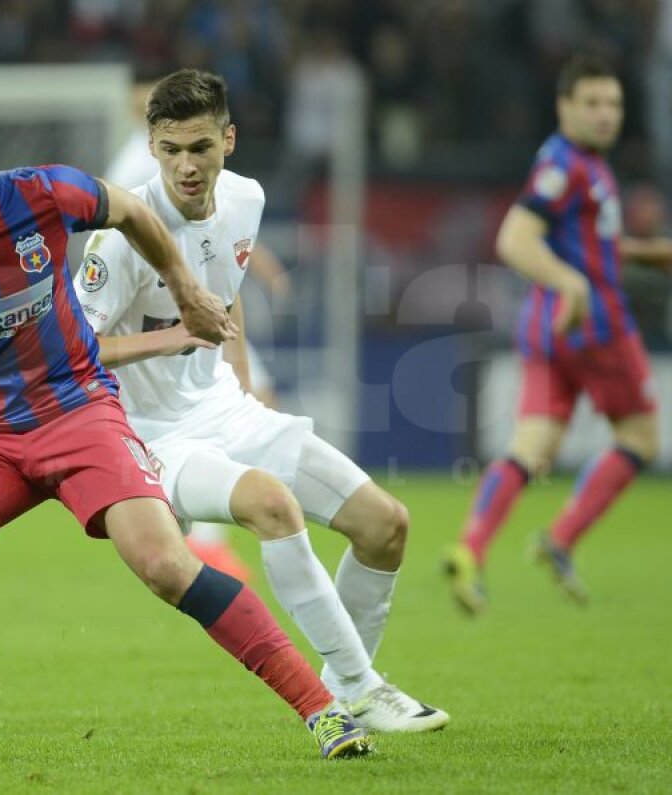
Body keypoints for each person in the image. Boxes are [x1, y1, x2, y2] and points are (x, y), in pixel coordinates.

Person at [0, 93, 372, 761]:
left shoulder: (39, 195)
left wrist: (186, 290)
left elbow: (134, 210)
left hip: (78, 413)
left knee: (166, 565)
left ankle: (324, 710)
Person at [75, 68, 448, 733]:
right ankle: (364, 686)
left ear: (229, 140)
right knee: (272, 504)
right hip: (151, 436)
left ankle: (341, 682)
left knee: (385, 525)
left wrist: (242, 378)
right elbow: (75, 351)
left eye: (199, 148)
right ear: (152, 147)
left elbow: (225, 289)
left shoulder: (246, 200)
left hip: (224, 409)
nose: (185, 166)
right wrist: (175, 341)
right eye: (170, 151)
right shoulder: (119, 235)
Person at [442, 54, 672, 614]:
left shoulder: (578, 165)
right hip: (597, 326)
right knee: (640, 439)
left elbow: (587, 243)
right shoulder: (566, 166)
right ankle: (561, 537)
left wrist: (645, 253)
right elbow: (515, 239)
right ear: (564, 107)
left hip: (547, 330)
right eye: (591, 103)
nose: (604, 115)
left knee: (532, 447)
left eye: (613, 104)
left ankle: (470, 549)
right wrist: (573, 285)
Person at [105, 76, 292, 583]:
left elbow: (220, 227)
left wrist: (261, 265)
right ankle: (195, 527)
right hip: (166, 310)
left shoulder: (213, 168)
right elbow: (124, 244)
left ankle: (206, 529)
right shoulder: (134, 166)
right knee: (198, 416)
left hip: (207, 297)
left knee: (255, 402)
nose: (185, 162)